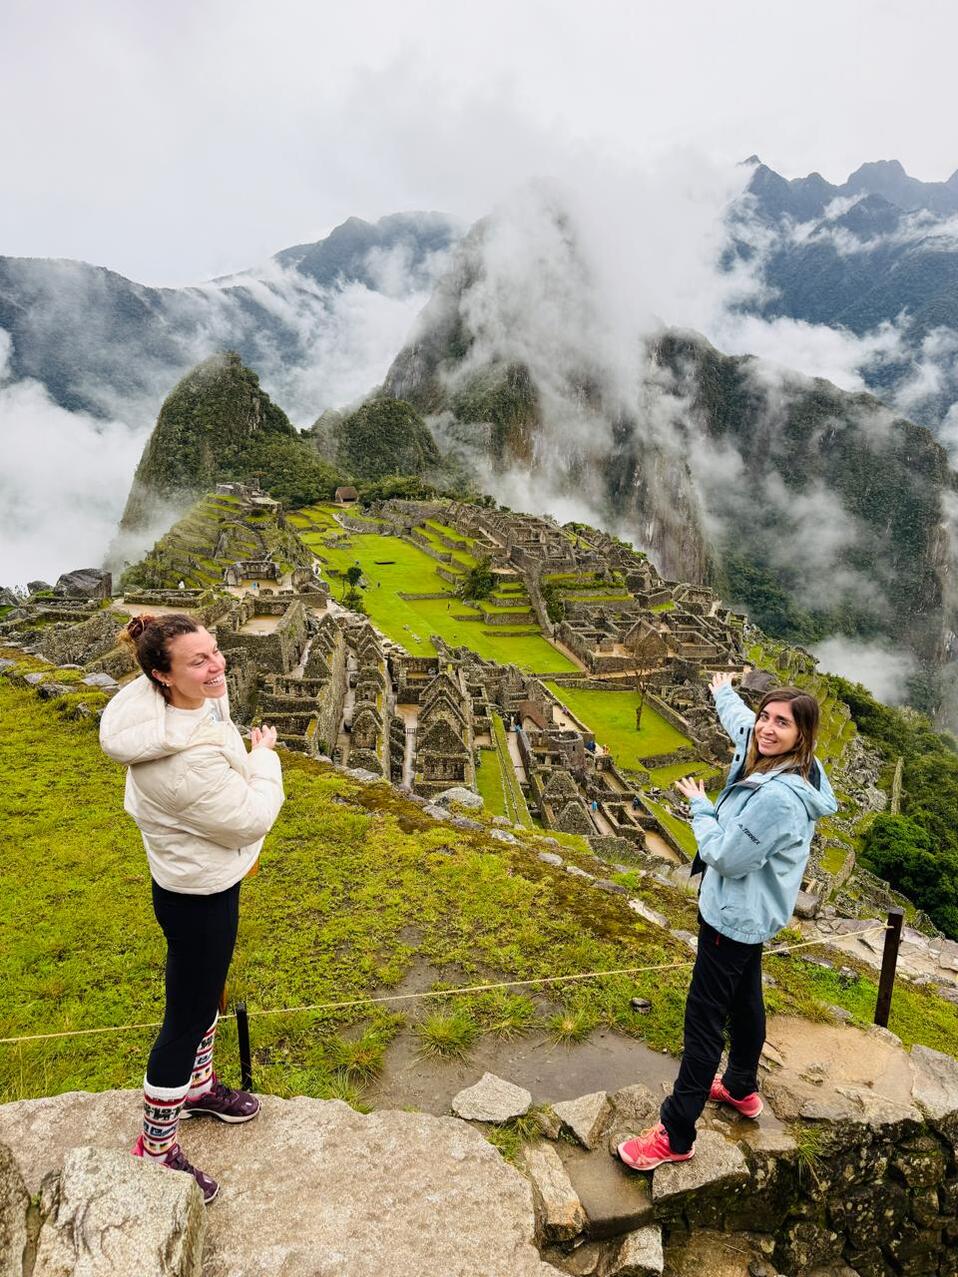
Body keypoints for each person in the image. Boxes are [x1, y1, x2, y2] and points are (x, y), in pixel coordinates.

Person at [99, 613, 285, 1203]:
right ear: (162, 673)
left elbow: (213, 728)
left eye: (215, 651)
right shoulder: (178, 767)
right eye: (199, 660)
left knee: (206, 993)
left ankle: (199, 1090)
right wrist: (265, 759)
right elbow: (250, 818)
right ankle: (155, 1149)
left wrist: (218, 704)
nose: (217, 665)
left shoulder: (167, 705)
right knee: (183, 1017)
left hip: (195, 880)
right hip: (198, 894)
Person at [618, 672, 837, 1171]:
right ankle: (740, 1087)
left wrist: (699, 806)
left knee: (703, 1024)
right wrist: (723, 693)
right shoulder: (791, 764)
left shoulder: (778, 798)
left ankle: (675, 1135)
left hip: (733, 915)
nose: (766, 728)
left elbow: (725, 856)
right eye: (766, 716)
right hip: (755, 914)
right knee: (746, 998)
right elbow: (742, 727)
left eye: (782, 723)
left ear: (803, 734)